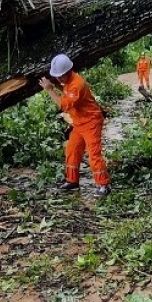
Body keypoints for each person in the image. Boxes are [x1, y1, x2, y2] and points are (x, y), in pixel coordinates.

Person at [39, 54, 111, 197]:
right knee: (72, 150)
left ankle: (103, 185)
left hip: (91, 122)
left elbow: (63, 105)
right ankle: (72, 181)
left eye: (60, 76)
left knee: (93, 154)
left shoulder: (76, 85)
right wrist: (57, 85)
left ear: (68, 72)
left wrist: (50, 90)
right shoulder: (68, 81)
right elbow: (65, 89)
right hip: (79, 123)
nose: (58, 79)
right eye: (57, 76)